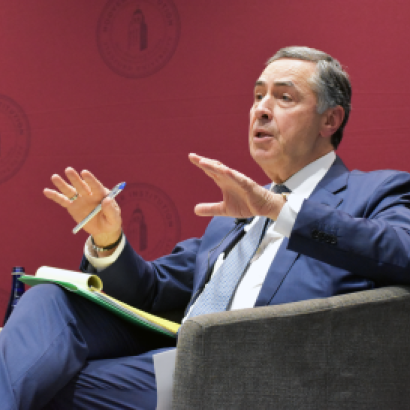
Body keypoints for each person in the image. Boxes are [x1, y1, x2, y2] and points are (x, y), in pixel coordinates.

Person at [2, 46, 410, 409]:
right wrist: (109, 240)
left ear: (330, 120)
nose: (261, 109)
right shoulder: (231, 215)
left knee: (37, 383)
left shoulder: (375, 191)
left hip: (260, 374)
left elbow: (401, 250)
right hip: (176, 360)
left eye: (284, 97)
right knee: (48, 301)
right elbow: (153, 290)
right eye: (257, 96)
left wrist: (279, 209)